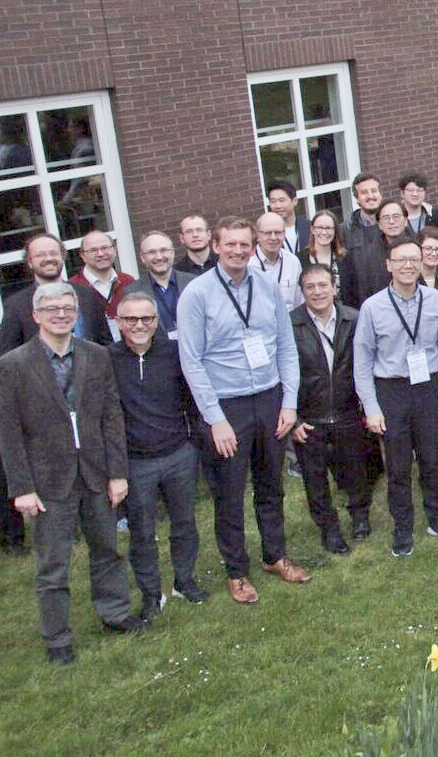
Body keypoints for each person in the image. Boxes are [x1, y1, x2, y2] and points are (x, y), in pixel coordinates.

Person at [1, 282, 143, 663]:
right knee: (53, 564)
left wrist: (118, 473)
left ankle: (115, 613)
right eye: (52, 309)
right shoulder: (13, 365)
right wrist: (21, 487)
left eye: (68, 308)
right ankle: (57, 637)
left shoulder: (96, 356)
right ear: (36, 315)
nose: (61, 315)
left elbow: (111, 416)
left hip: (96, 472)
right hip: (48, 480)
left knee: (108, 550)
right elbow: (8, 433)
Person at [176, 216, 308, 604]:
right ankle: (237, 571)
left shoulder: (266, 286)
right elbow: (191, 361)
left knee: (271, 485)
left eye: (244, 245)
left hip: (269, 399)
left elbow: (286, 347)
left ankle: (275, 556)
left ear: (253, 247)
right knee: (229, 493)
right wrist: (215, 419)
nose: (237, 251)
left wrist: (289, 402)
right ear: (216, 246)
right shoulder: (197, 294)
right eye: (230, 244)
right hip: (226, 405)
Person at [356, 236, 438, 556]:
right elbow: (362, 362)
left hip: (428, 387)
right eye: (400, 260)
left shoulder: (434, 301)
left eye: (413, 260)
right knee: (399, 465)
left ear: (421, 263)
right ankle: (403, 526)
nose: (407, 265)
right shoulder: (372, 307)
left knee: (432, 459)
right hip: (392, 390)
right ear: (388, 265)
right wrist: (371, 407)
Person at [110, 291, 205, 621]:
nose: (139, 325)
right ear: (119, 322)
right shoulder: (107, 360)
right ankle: (151, 593)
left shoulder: (174, 353)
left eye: (147, 318)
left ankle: (185, 580)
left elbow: (193, 398)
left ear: (156, 321)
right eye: (131, 319)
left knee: (185, 523)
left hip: (179, 454)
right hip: (137, 462)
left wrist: (192, 443)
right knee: (141, 532)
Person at [290, 264, 372, 552]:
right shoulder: (290, 324)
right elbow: (283, 373)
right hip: (310, 417)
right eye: (310, 287)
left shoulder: (354, 319)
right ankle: (329, 529)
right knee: (315, 480)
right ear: (302, 292)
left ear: (334, 287)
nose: (317, 292)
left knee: (356, 471)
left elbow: (367, 363)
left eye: (323, 285)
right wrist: (294, 419)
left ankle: (360, 517)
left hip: (348, 412)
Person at [1, 233, 112, 353]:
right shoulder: (16, 305)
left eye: (53, 253)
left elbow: (105, 343)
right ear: (30, 262)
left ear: (62, 257)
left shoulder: (87, 294)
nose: (49, 259)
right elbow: (7, 355)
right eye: (41, 255)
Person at [132, 230, 196, 340]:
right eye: (152, 252)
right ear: (142, 258)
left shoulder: (194, 282)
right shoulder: (132, 292)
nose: (159, 257)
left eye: (164, 250)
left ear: (173, 253)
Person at [69, 230, 136, 335]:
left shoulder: (128, 281)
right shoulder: (72, 288)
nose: (100, 254)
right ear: (82, 256)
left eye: (105, 248)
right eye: (93, 250)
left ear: (115, 250)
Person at [343, 199, 406, 307]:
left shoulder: (420, 248)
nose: (391, 221)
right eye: (386, 218)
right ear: (379, 225)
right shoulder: (367, 257)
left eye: (396, 216)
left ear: (405, 221)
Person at [250, 211, 304, 310]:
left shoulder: (293, 262)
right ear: (257, 235)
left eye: (278, 232)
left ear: (284, 234)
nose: (273, 237)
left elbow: (299, 303)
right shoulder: (248, 264)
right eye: (268, 233)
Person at [301, 209, 351, 295]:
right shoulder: (300, 259)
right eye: (320, 227)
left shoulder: (345, 258)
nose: (324, 232)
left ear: (335, 231)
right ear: (312, 229)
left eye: (328, 228)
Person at [343, 173, 383, 251]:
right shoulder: (345, 231)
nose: (370, 196)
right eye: (364, 192)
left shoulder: (396, 223)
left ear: (381, 194)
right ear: (356, 198)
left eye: (374, 191)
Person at [266, 179, 310, 251]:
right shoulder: (266, 234)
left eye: (282, 200)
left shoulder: (310, 227)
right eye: (273, 201)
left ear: (295, 201)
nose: (278, 206)